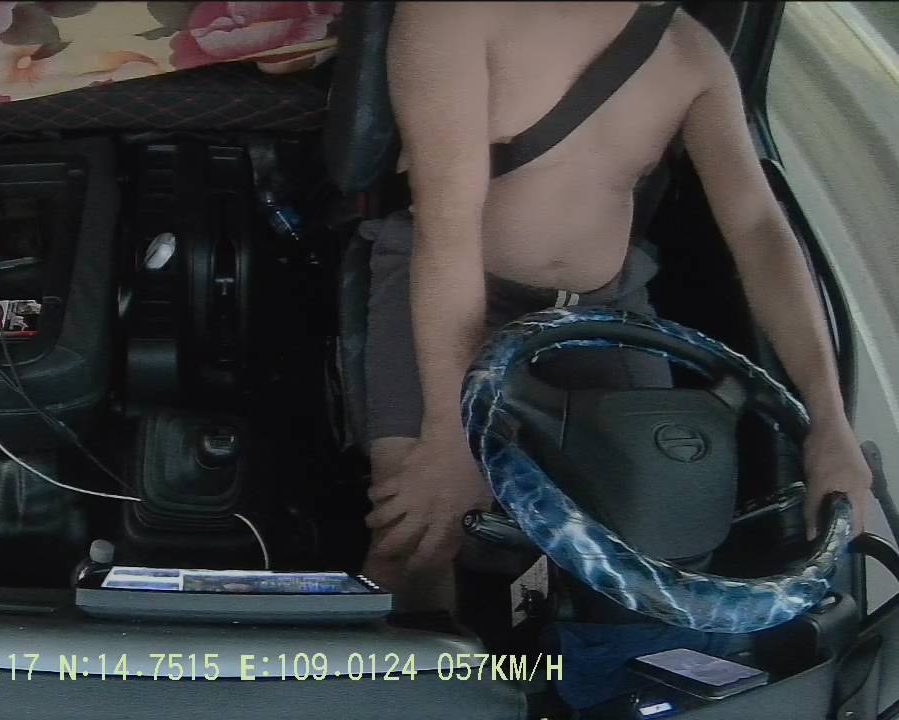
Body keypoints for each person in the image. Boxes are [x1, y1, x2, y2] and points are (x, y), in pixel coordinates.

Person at [362, 1, 874, 614]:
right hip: (450, 287)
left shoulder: (691, 53)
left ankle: (550, 658)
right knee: (420, 532)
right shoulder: (455, 15)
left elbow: (759, 231)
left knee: (651, 535)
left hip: (605, 313)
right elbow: (447, 226)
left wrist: (831, 424)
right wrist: (454, 431)